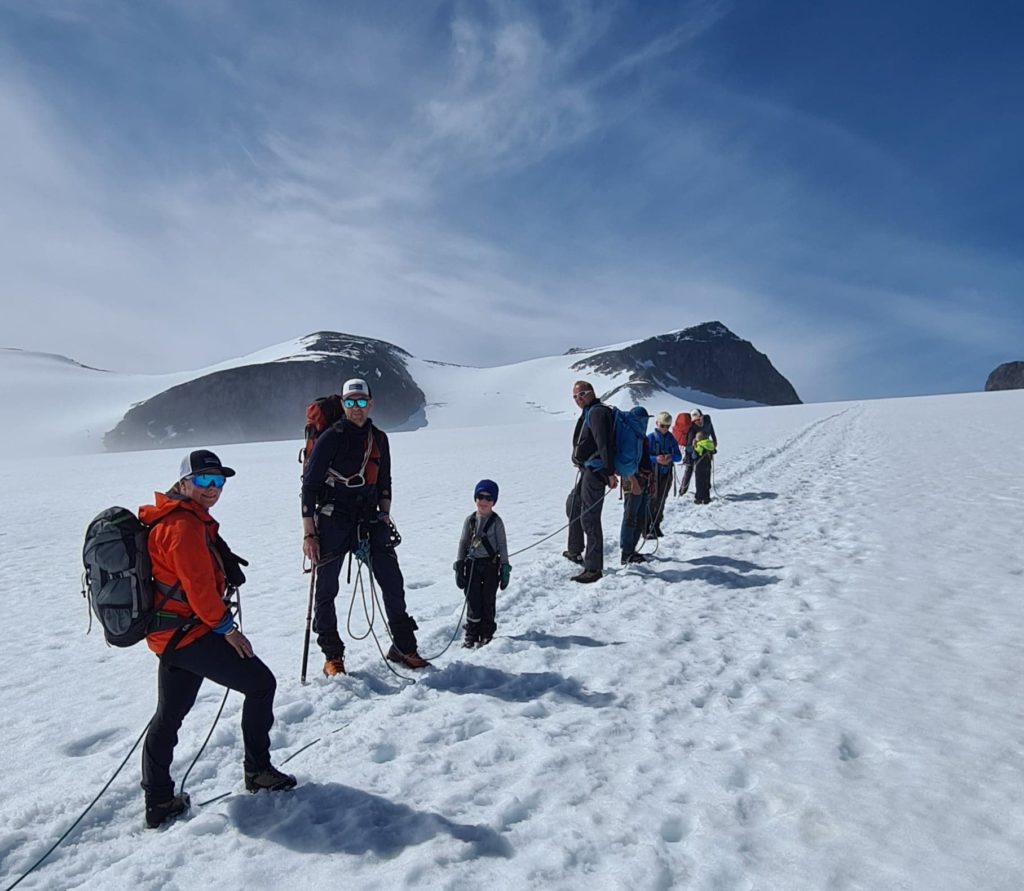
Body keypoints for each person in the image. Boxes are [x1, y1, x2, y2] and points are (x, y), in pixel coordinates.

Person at [139, 449, 295, 829]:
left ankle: (159, 800)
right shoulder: (183, 526)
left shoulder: (182, 519)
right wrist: (227, 630)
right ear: (183, 482)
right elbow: (198, 590)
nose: (213, 489)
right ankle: (257, 771)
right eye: (205, 480)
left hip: (171, 635)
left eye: (219, 481)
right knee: (261, 684)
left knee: (169, 715)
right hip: (190, 632)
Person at [301, 379, 428, 673]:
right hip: (333, 520)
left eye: (361, 401)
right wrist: (309, 532)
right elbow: (309, 486)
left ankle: (404, 646)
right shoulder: (330, 438)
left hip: (370, 518)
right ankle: (332, 655)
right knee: (327, 589)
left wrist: (384, 513)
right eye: (350, 402)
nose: (356, 407)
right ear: (343, 404)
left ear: (370, 403)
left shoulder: (379, 438)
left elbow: (385, 480)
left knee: (392, 582)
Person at [565, 380, 618, 583]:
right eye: (575, 397)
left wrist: (610, 473)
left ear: (591, 393)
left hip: (596, 471)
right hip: (588, 468)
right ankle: (575, 550)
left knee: (590, 517)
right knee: (574, 504)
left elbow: (604, 444)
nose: (578, 399)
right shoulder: (590, 411)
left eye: (582, 394)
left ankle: (593, 568)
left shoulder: (596, 412)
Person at [453, 479, 510, 648]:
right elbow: (463, 542)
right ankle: (472, 632)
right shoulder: (469, 521)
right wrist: (459, 564)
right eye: (480, 497)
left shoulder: (497, 522)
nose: (484, 501)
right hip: (472, 566)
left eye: (488, 498)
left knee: (488, 599)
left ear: (494, 501)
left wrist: (505, 567)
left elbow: (503, 545)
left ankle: (486, 632)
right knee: (473, 599)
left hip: (491, 566)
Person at [621, 424, 655, 564]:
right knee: (631, 516)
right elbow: (623, 463)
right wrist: (633, 480)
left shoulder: (641, 438)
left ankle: (631, 550)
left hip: (642, 479)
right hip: (634, 480)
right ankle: (627, 552)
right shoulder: (630, 439)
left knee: (639, 515)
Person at [645, 411, 682, 537]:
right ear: (657, 424)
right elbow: (644, 457)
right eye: (663, 425)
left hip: (666, 474)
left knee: (661, 500)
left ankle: (656, 526)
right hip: (653, 475)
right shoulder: (650, 438)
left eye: (667, 426)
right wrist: (656, 459)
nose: (665, 428)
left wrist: (670, 457)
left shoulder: (672, 439)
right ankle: (646, 527)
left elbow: (679, 457)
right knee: (651, 500)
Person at [679, 409, 718, 495]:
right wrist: (695, 449)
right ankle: (682, 491)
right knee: (690, 469)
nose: (698, 422)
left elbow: (712, 431)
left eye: (699, 419)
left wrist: (714, 442)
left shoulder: (708, 422)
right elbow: (689, 445)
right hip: (694, 451)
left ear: (702, 416)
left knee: (706, 469)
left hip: (705, 450)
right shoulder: (692, 428)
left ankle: (706, 487)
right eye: (695, 420)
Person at [693, 432, 717, 504]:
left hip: (700, 467)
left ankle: (699, 498)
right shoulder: (710, 445)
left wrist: (694, 446)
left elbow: (694, 456)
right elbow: (714, 451)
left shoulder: (700, 446)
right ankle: (707, 498)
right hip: (708, 466)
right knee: (706, 481)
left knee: (699, 483)